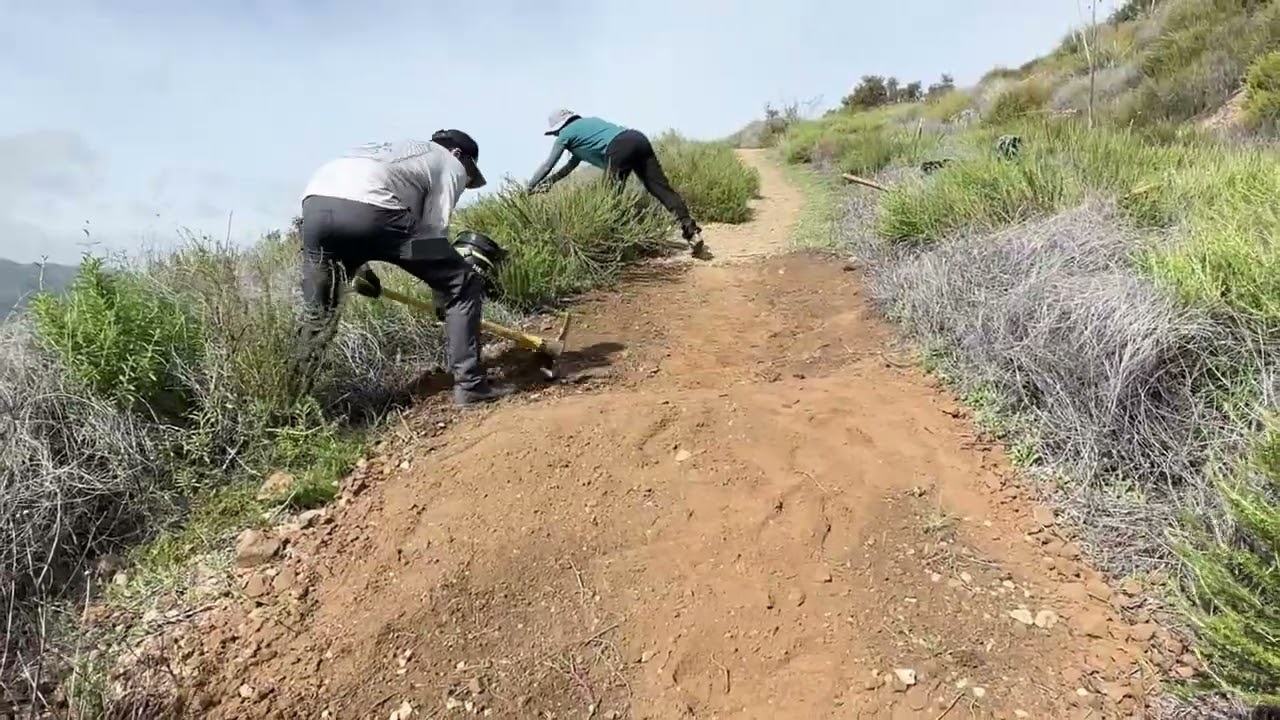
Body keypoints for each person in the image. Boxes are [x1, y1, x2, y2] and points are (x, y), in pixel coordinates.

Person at [289, 130, 513, 407]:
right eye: (469, 176)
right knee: (463, 283)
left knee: (318, 316)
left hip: (315, 209)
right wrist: (444, 291)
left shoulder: (397, 149)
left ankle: (291, 403)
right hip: (374, 213)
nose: (465, 183)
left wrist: (361, 269)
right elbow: (434, 231)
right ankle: (471, 386)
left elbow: (349, 203)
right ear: (459, 155)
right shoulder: (450, 162)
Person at [526, 109, 707, 257]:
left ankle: (615, 248)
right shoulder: (586, 125)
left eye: (555, 132)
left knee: (609, 200)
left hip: (619, 148)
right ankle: (691, 231)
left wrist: (529, 187)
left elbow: (548, 165)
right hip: (637, 139)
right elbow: (570, 166)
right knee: (661, 189)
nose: (556, 135)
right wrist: (550, 183)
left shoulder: (564, 135)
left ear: (559, 128)